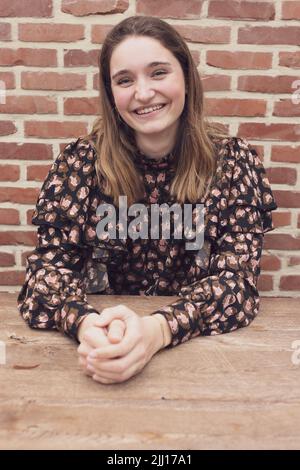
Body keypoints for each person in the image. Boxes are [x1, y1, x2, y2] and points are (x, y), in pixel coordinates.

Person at [18, 15, 278, 384]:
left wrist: (157, 331)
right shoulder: (80, 164)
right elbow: (45, 274)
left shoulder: (233, 163)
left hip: (202, 358)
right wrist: (85, 324)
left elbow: (238, 282)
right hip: (99, 347)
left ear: (186, 77)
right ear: (111, 94)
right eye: (125, 80)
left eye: (158, 73)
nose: (142, 93)